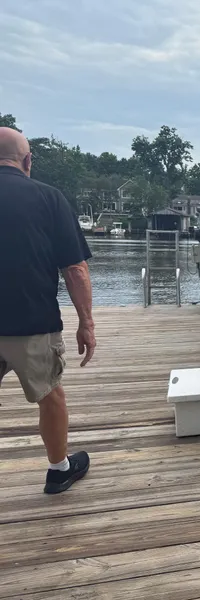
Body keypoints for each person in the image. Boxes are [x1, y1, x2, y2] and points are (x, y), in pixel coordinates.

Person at [0, 126, 96, 494]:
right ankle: (59, 471)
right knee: (50, 395)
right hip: (32, 323)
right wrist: (86, 323)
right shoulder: (48, 198)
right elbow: (75, 269)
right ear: (27, 160)